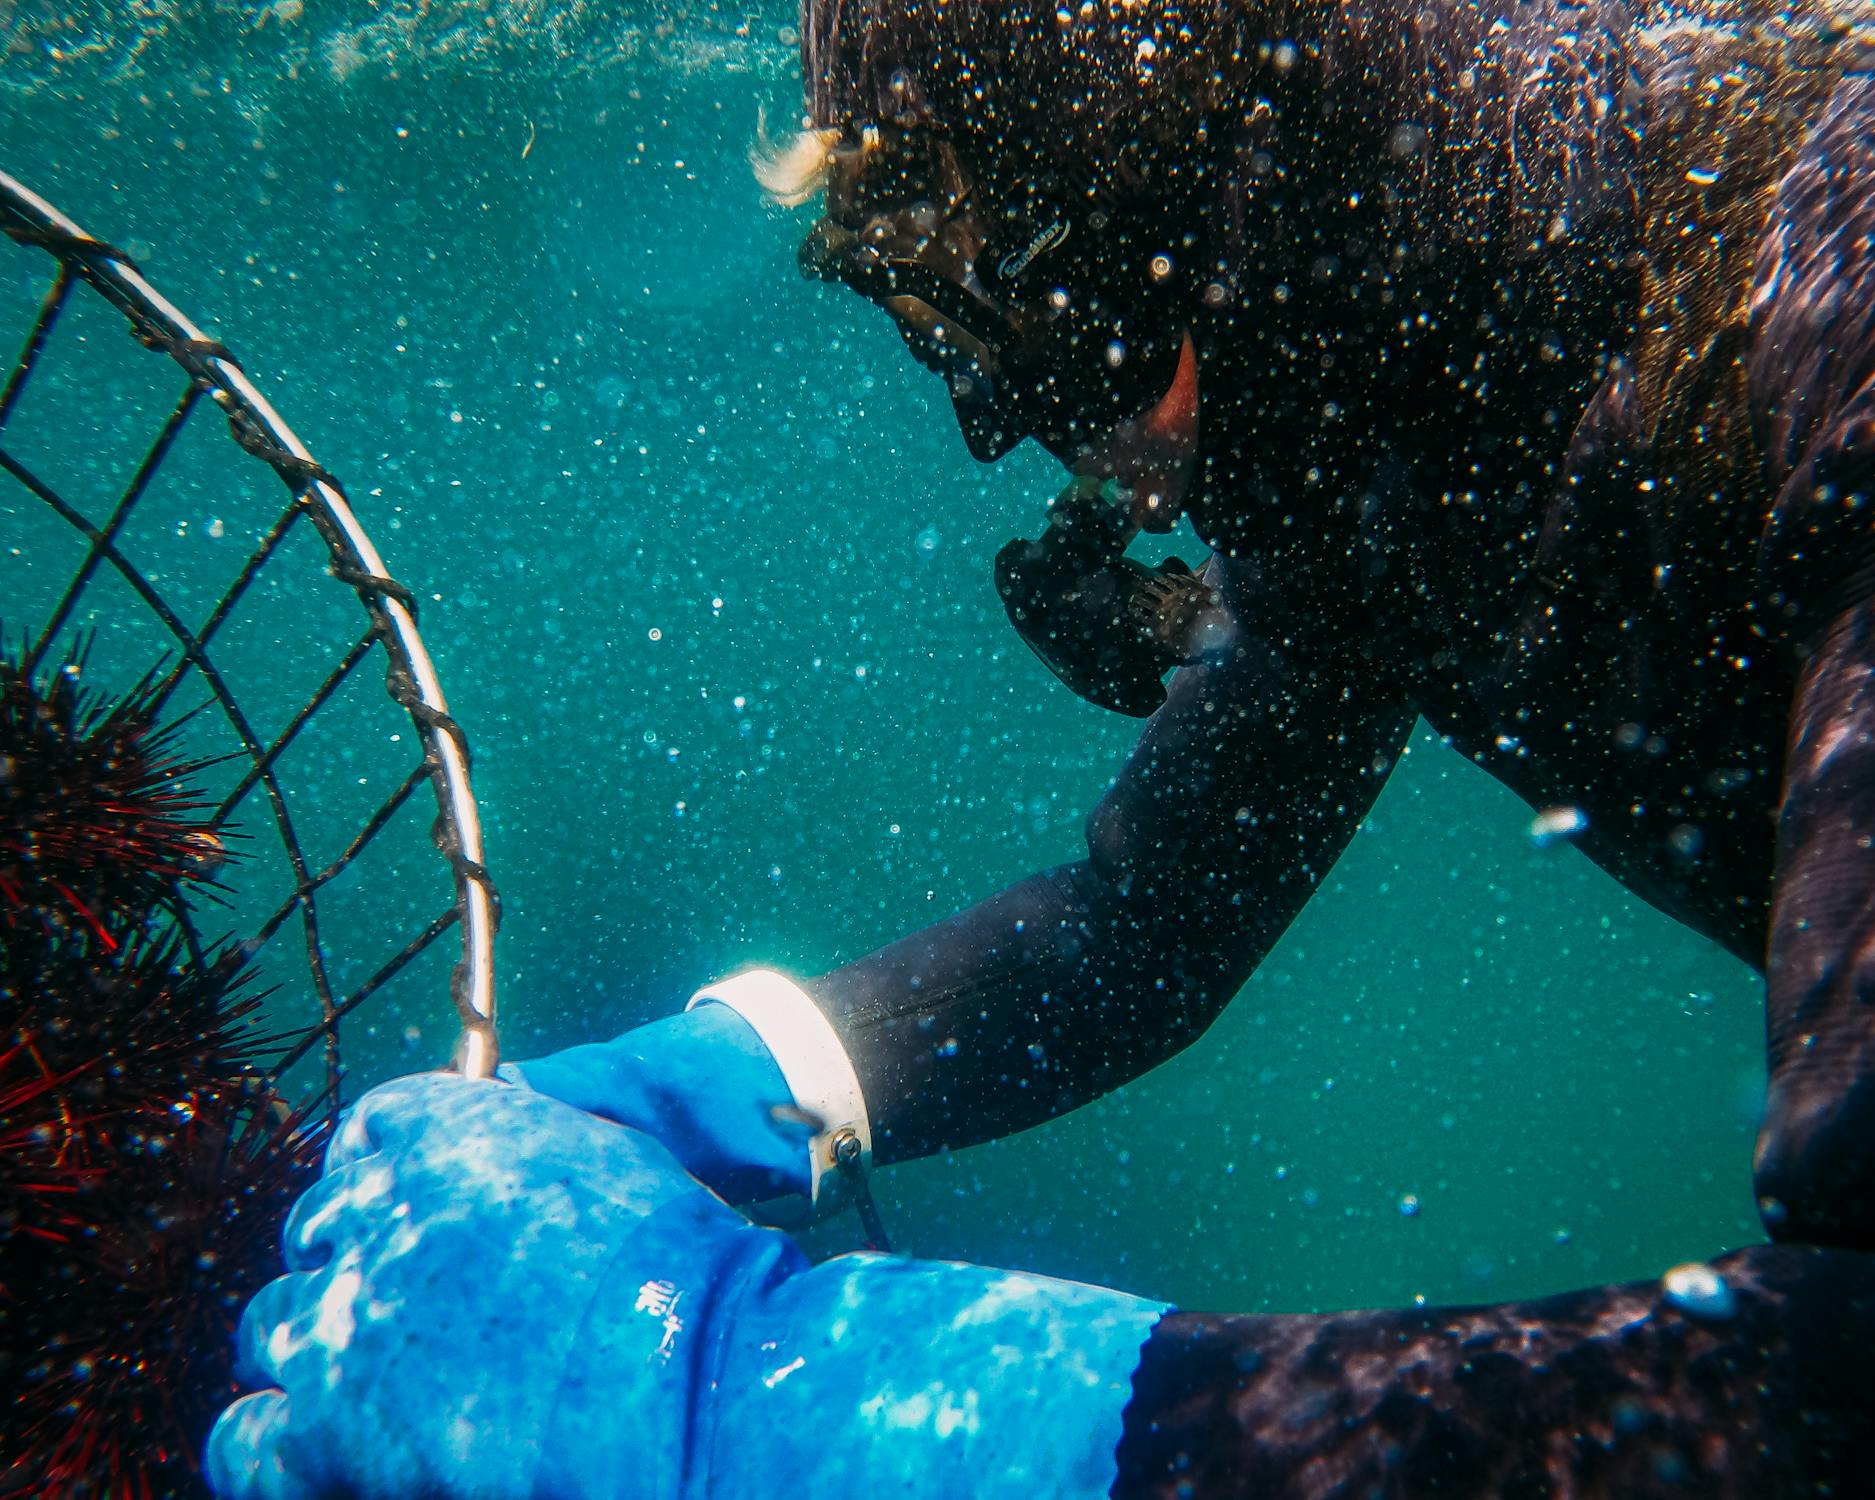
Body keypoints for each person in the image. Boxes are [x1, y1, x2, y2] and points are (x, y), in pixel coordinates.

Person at [208, 0, 1875, 1493]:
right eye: (934, 337)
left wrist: (771, 1405)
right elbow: (1141, 930)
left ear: (1194, 212)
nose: (990, 426)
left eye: (999, 326)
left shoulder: (1838, 264)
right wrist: (747, 1075)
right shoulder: (1395, 425)